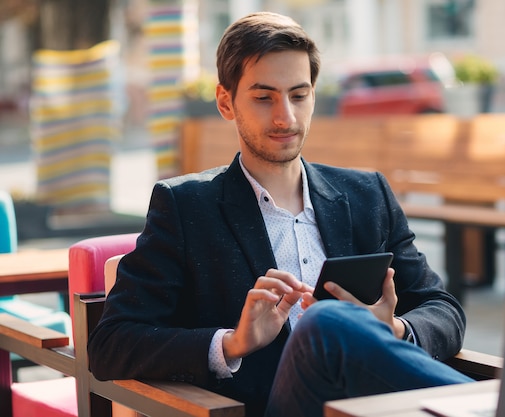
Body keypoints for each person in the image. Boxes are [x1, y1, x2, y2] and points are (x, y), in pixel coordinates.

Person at [88, 11, 473, 417]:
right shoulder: (185, 207)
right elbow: (110, 344)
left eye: (298, 95)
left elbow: (443, 309)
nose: (285, 117)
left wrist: (392, 330)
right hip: (265, 406)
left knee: (335, 325)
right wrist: (231, 342)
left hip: (375, 408)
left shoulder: (366, 194)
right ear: (226, 102)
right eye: (263, 96)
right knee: (327, 324)